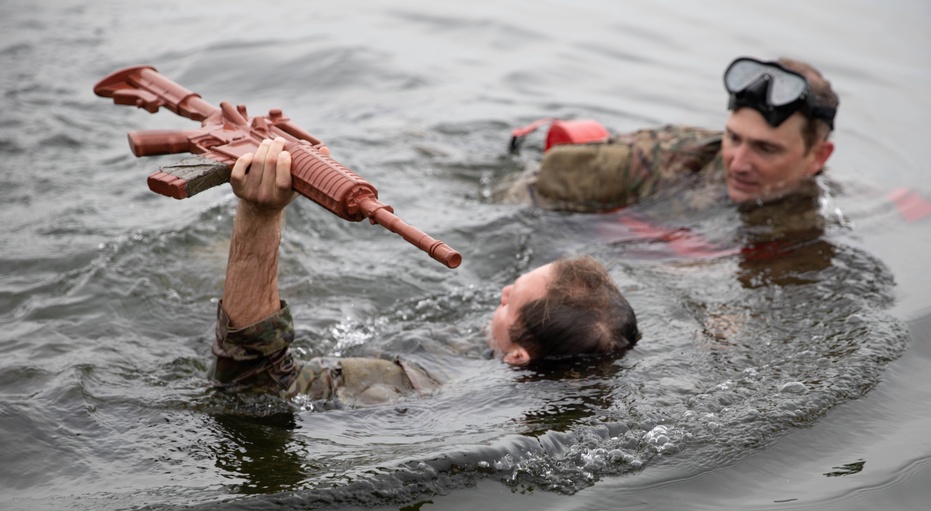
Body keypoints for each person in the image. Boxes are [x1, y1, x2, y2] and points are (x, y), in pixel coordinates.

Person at [210, 138, 640, 405]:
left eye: (512, 301)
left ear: (518, 357)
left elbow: (254, 386)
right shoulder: (507, 368)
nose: (504, 290)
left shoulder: (416, 387)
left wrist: (259, 216)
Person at [497, 56, 839, 233]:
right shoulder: (656, 159)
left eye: (766, 149)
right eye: (733, 138)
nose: (738, 162)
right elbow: (517, 202)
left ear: (816, 158)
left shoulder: (825, 210)